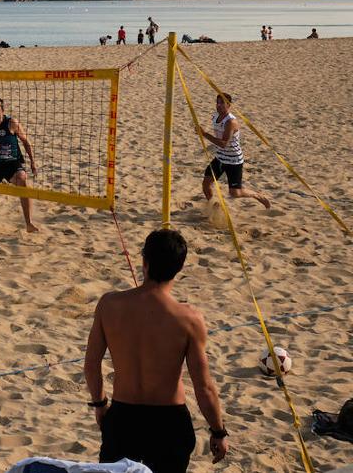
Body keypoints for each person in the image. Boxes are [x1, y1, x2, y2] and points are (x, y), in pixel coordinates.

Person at [84, 229, 229, 473]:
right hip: (168, 422)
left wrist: (99, 404)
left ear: (145, 262)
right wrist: (218, 431)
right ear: (179, 268)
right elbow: (203, 386)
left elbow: (91, 364)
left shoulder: (109, 304)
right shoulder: (189, 318)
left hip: (123, 418)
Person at [0, 97, 39, 232]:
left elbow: (26, 142)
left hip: (12, 163)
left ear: (2, 110)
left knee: (22, 179)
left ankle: (29, 223)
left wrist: (33, 162)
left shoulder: (11, 123)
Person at [202, 92, 270, 209]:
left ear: (229, 105)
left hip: (234, 160)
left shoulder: (231, 122)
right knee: (206, 183)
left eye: (222, 103)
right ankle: (215, 206)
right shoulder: (215, 116)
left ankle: (258, 196)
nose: (219, 105)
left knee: (235, 193)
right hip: (220, 157)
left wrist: (204, 134)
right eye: (217, 103)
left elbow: (223, 143)